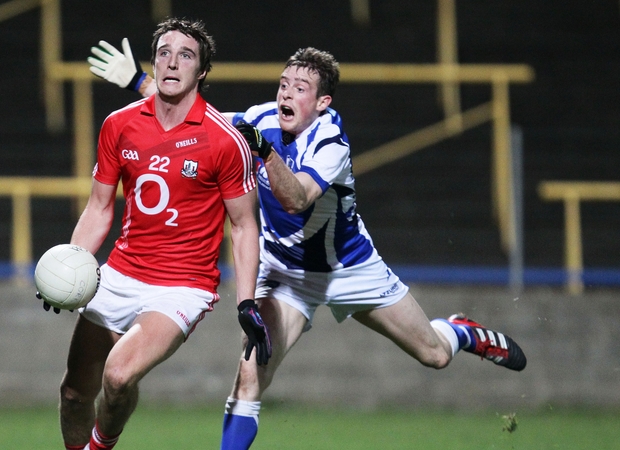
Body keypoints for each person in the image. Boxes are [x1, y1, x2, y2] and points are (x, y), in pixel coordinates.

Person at [89, 40, 527, 449]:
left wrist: (263, 152)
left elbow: (296, 199)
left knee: (434, 355)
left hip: (350, 269)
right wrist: (138, 81)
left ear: (322, 103)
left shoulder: (330, 141)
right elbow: (199, 121)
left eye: (301, 88)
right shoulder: (259, 121)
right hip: (283, 274)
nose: (287, 94)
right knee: (249, 378)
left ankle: (461, 331)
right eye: (284, 84)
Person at [42, 18, 265, 450]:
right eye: (164, 52)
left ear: (201, 71)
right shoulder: (119, 125)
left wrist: (247, 302)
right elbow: (99, 207)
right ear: (153, 62)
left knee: (119, 375)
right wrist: (70, 265)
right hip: (122, 273)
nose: (172, 62)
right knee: (73, 394)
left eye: (186, 55)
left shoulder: (224, 140)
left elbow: (243, 225)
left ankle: (100, 445)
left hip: (182, 287)